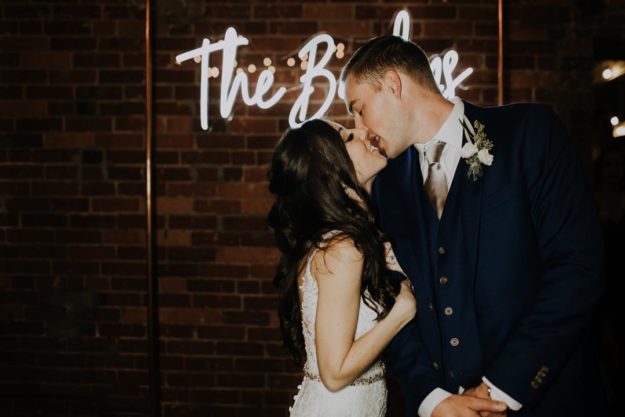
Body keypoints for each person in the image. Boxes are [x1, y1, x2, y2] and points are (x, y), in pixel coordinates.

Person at [339, 35, 605, 417]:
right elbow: (386, 295)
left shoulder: (528, 133)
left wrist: (500, 390)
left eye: (360, 109)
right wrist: (432, 399)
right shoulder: (386, 185)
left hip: (546, 403)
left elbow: (577, 269)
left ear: (394, 85)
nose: (360, 127)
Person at [266, 119, 505, 417]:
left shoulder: (345, 240)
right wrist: (401, 311)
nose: (362, 131)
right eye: (348, 137)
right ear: (331, 170)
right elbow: (334, 373)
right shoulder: (343, 248)